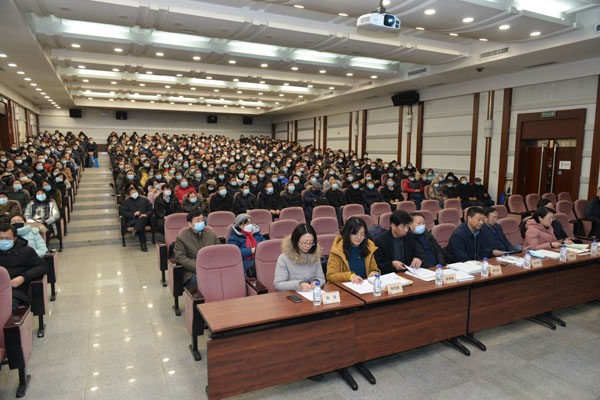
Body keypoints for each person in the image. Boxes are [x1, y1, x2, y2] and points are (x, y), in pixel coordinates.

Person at [0, 224, 47, 310]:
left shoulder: (26, 251)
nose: (3, 241)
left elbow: (42, 267)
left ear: (15, 238)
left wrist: (23, 277)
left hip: (15, 292)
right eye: (1, 238)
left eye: (7, 238)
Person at [173, 210, 220, 287]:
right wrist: (199, 267)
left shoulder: (211, 235)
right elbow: (180, 257)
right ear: (189, 224)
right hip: (193, 270)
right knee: (200, 280)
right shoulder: (182, 238)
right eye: (198, 220)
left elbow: (219, 251)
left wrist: (213, 265)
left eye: (202, 220)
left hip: (212, 267)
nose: (201, 222)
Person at [326, 217, 380, 283]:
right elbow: (330, 276)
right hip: (345, 286)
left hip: (364, 285)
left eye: (362, 234)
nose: (359, 237)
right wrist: (350, 276)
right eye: (355, 234)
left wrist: (374, 272)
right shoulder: (338, 249)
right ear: (347, 233)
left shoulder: (369, 247)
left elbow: (374, 268)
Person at [273, 224, 326, 292]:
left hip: (310, 293)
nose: (308, 246)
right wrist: (299, 285)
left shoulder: (315, 255)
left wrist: (317, 282)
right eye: (304, 242)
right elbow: (278, 284)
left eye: (311, 243)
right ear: (296, 240)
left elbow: (321, 278)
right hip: (291, 295)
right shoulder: (284, 258)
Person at [120, 187, 153, 252]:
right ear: (129, 195)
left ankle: (136, 230)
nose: (134, 193)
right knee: (141, 224)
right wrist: (133, 214)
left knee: (142, 219)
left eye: (135, 192)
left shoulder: (145, 200)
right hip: (133, 220)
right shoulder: (126, 202)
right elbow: (123, 212)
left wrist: (145, 214)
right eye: (132, 193)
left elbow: (150, 210)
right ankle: (143, 244)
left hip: (145, 219)